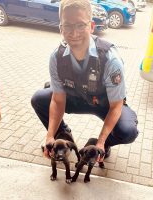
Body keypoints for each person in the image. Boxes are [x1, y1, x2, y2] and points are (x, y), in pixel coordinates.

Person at [31, 0, 138, 161]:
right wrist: (50, 136)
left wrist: (101, 141)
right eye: (67, 26)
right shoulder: (56, 58)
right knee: (39, 99)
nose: (74, 33)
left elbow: (116, 105)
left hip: (105, 105)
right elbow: (58, 100)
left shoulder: (110, 59)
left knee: (128, 131)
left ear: (92, 26)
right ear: (61, 28)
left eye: (80, 25)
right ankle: (63, 136)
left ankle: (100, 146)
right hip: (75, 99)